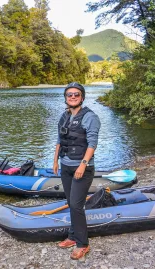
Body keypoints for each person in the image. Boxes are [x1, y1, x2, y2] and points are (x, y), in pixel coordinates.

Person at [53, 82, 101, 260]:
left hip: (83, 168)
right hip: (65, 166)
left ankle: (83, 243)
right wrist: (55, 160)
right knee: (70, 201)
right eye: (69, 94)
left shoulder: (90, 117)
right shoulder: (64, 116)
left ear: (82, 97)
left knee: (76, 204)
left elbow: (92, 143)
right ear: (65, 97)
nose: (72, 97)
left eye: (76, 94)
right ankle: (73, 236)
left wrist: (83, 164)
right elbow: (59, 139)